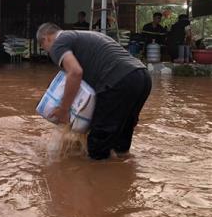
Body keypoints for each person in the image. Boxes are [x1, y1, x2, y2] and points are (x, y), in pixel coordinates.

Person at [36, 22, 152, 160]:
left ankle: (97, 177)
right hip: (142, 77)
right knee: (121, 142)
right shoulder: (81, 36)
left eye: (44, 48)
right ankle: (124, 175)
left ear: (46, 38)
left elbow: (75, 72)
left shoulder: (58, 44)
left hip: (118, 82)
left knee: (97, 146)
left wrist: (63, 109)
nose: (48, 53)